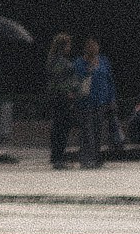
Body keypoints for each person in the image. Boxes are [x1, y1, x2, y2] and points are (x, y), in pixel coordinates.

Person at [44, 33, 92, 168]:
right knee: (62, 128)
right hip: (63, 98)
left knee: (58, 128)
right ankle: (58, 158)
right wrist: (70, 91)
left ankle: (56, 157)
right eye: (68, 45)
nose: (69, 48)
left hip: (57, 98)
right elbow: (61, 81)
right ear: (63, 46)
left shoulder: (52, 60)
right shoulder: (61, 62)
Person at [80, 35, 115, 165]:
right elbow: (78, 80)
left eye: (95, 45)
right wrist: (89, 69)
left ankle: (95, 157)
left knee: (98, 131)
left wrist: (111, 99)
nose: (93, 48)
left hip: (101, 102)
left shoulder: (104, 61)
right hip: (85, 102)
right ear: (86, 48)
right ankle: (86, 158)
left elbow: (109, 80)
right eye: (90, 45)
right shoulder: (80, 62)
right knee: (87, 131)